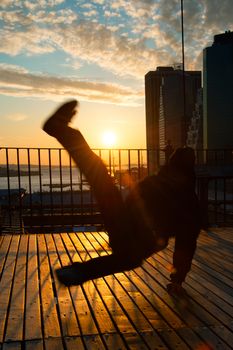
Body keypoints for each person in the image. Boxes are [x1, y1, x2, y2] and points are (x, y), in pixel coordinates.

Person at [42, 100, 201, 295]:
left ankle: (64, 132)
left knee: (99, 177)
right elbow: (186, 246)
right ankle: (77, 272)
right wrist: (178, 279)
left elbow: (135, 197)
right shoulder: (189, 203)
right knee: (131, 257)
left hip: (123, 221)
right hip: (140, 236)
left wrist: (121, 217)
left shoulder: (154, 180)